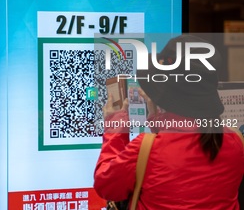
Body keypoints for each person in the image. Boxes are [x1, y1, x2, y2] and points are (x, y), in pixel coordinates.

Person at [94, 35, 244, 210]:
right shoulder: (235, 142)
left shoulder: (146, 149)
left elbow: (106, 186)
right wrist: (159, 117)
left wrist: (115, 126)